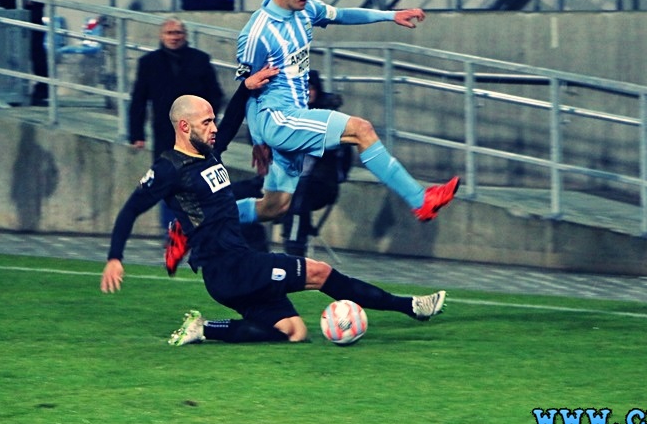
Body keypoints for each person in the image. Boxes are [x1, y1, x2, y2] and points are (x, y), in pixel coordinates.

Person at [100, 94, 446, 345]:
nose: (215, 127)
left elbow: (233, 117)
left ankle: (205, 328)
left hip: (231, 273)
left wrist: (248, 85)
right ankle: (411, 307)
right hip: (232, 268)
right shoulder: (167, 169)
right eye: (207, 122)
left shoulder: (208, 154)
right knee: (320, 272)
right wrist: (115, 257)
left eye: (213, 120)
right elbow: (131, 209)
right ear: (184, 126)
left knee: (292, 332)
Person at [235, 0, 460, 227]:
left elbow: (342, 14)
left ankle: (195, 222)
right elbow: (247, 90)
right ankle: (420, 200)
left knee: (274, 207)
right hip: (279, 120)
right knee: (360, 129)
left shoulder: (307, 11)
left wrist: (391, 15)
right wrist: (257, 138)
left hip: (294, 118)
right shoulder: (257, 34)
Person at [129, 17, 225, 229]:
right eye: (170, 33)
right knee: (167, 182)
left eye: (178, 33)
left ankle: (196, 230)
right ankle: (171, 231)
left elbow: (215, 95)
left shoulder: (200, 60)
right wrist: (136, 134)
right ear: (161, 36)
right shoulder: (148, 63)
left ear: (185, 35)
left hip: (196, 136)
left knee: (197, 181)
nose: (174, 37)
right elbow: (139, 99)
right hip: (165, 135)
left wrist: (206, 123)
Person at [279, 70, 353, 256]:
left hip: (319, 182)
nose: (307, 93)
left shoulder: (328, 117)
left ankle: (294, 248)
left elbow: (343, 152)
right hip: (285, 179)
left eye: (311, 88)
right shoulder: (286, 113)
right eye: (303, 89)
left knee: (299, 193)